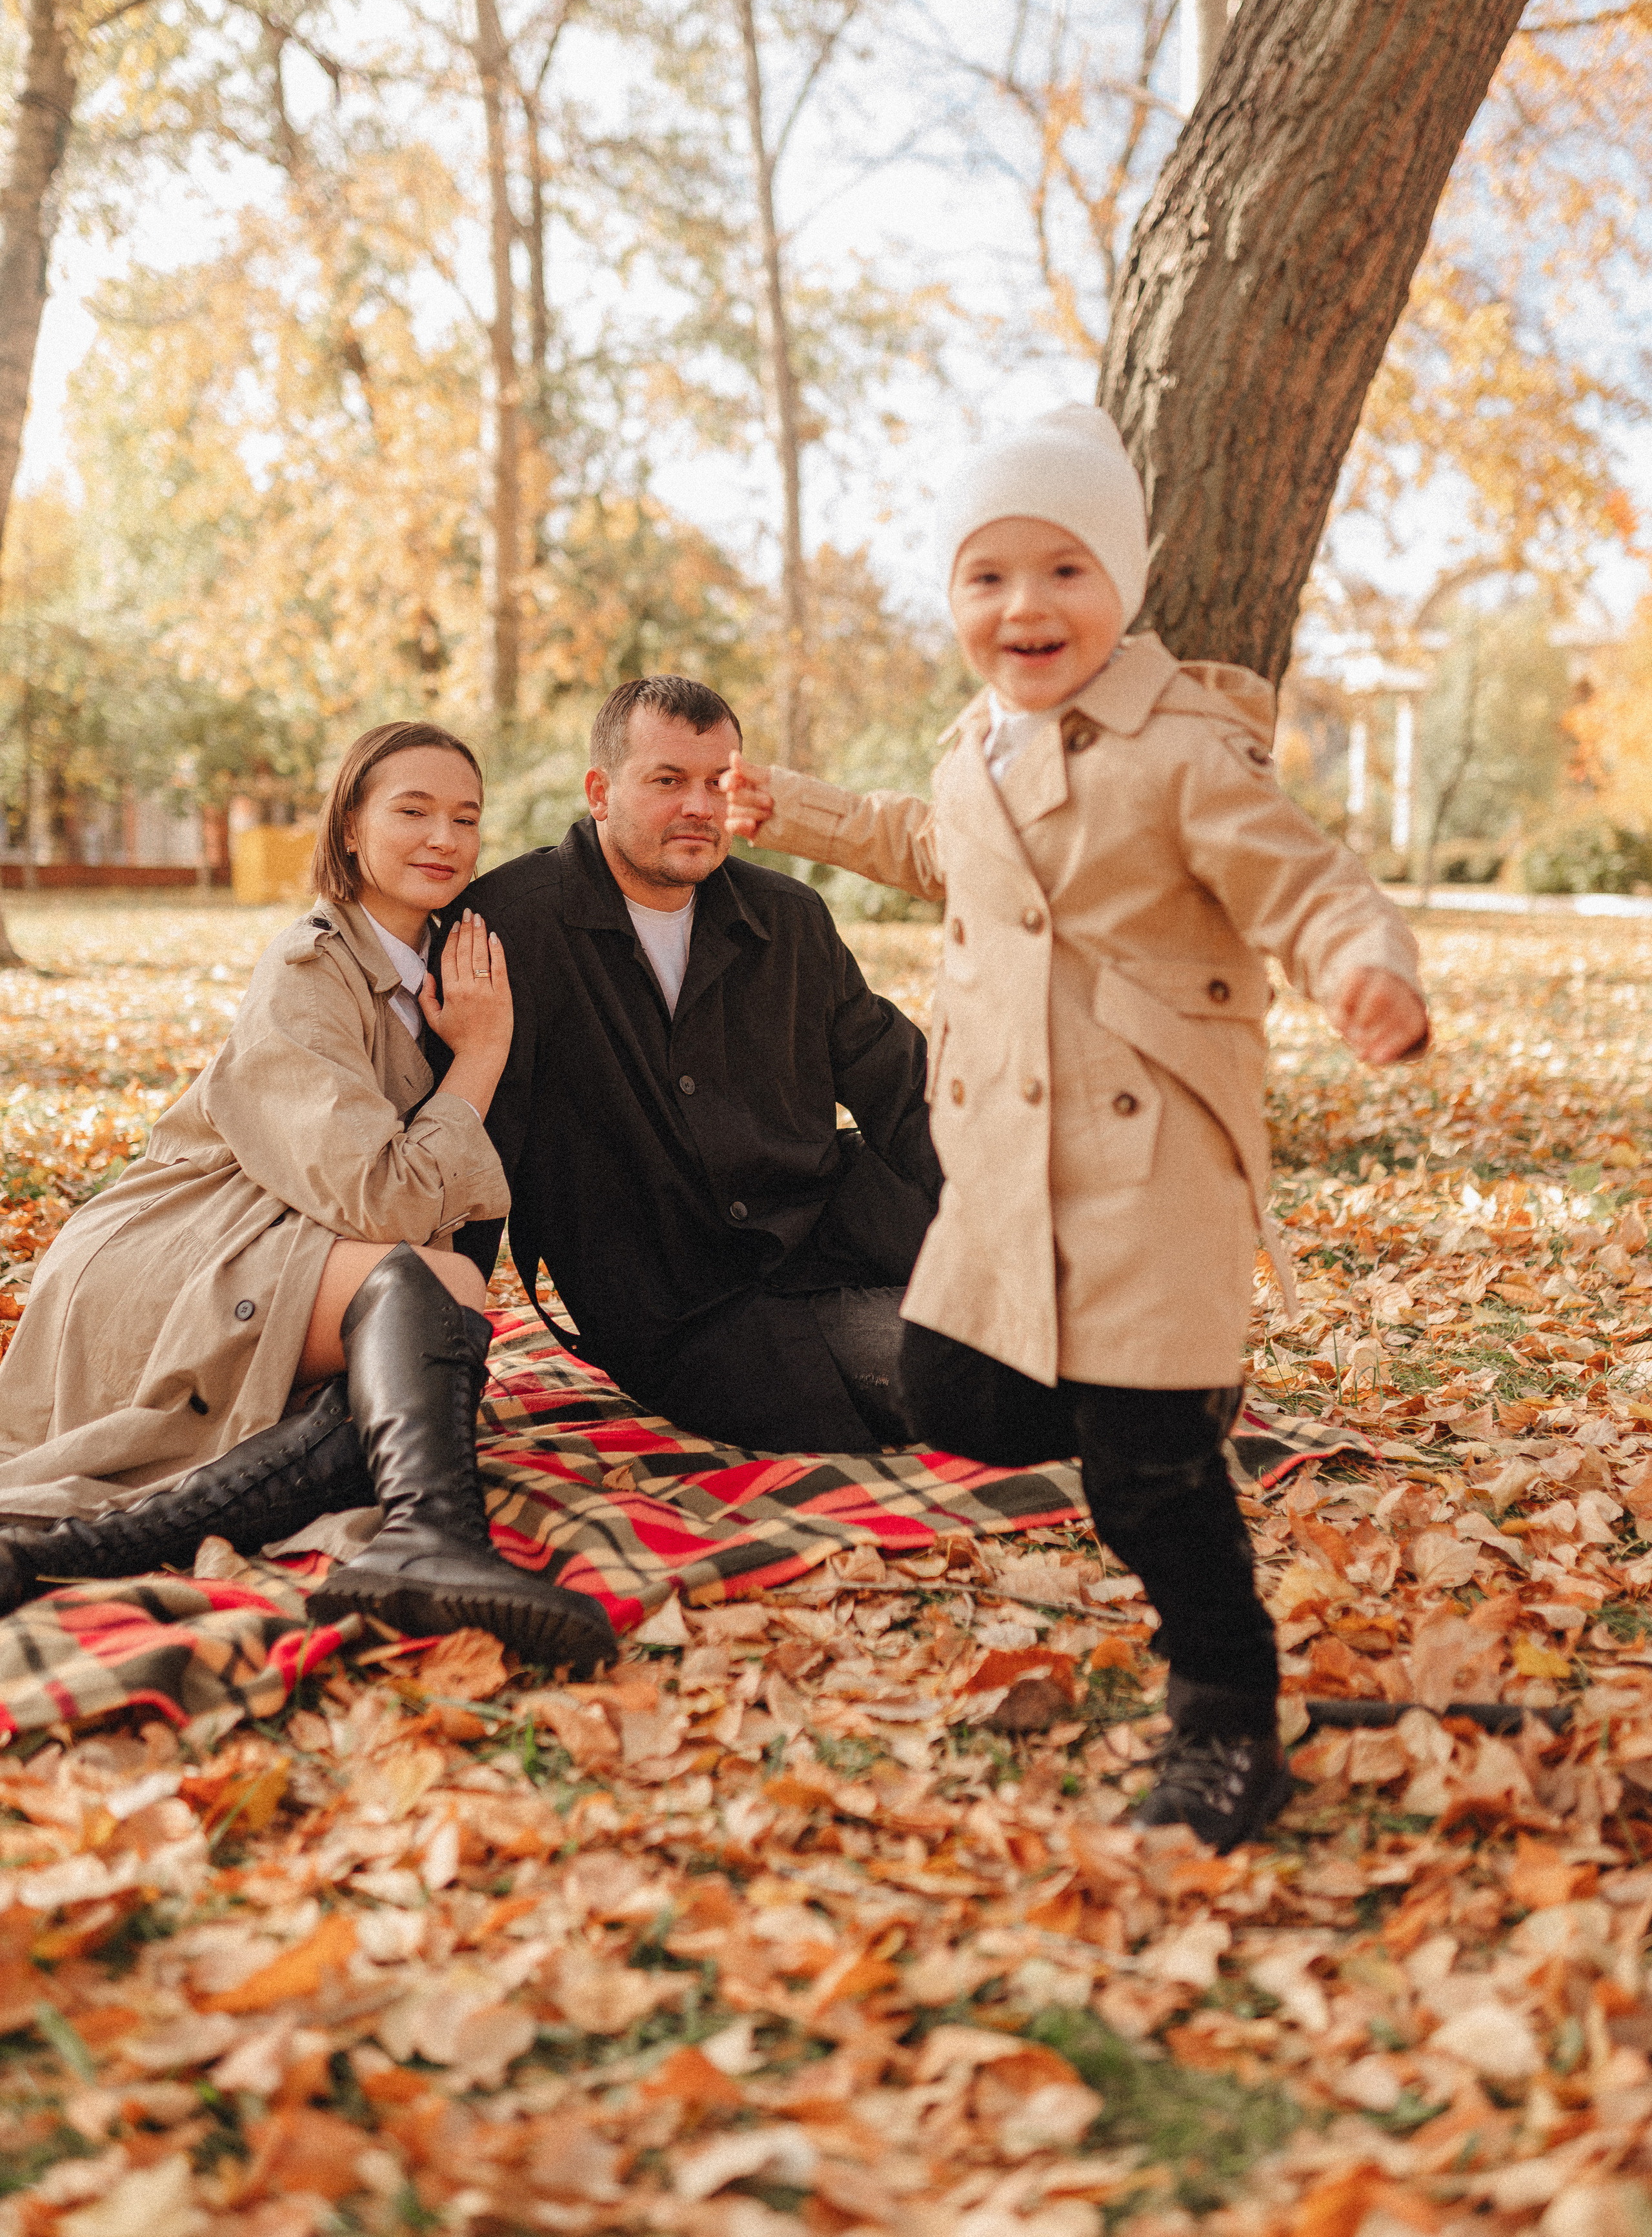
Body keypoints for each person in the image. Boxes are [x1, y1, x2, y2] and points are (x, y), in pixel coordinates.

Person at [721, 405, 1431, 1849]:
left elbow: (1305, 881)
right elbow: (929, 844)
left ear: (1122, 585)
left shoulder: (1181, 750)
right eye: (986, 575)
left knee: (1143, 1480)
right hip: (1009, 1164)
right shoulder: (978, 743)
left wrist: (1365, 967)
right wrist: (788, 806)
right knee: (952, 1389)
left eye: (1062, 570)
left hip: (1146, 1151)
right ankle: (1167, 1401)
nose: (1023, 605)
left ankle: (1226, 1717)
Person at [0, 722, 615, 1675]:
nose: (444, 838)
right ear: (351, 829)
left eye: (465, 818)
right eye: (412, 811)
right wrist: (483, 1053)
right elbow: (384, 1202)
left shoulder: (446, 967)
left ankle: (67, 1555)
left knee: (421, 1347)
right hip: (173, 1250)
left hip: (289, 1239)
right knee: (434, 1290)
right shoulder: (307, 969)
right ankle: (435, 1538)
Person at [435, 674, 942, 1455]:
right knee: (987, 1375)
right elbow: (480, 1154)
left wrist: (997, 1226)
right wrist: (444, 1368)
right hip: (689, 1306)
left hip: (837, 1229)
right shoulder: (513, 928)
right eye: (667, 781)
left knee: (1067, 1314)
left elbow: (904, 1090)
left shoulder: (789, 917)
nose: (699, 807)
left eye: (717, 783)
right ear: (600, 793)